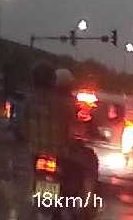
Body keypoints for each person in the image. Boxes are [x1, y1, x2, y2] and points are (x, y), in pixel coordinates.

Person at [25, 64, 97, 203]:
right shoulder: (65, 103)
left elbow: (23, 124)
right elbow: (75, 124)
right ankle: (79, 200)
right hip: (61, 152)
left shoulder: (30, 101)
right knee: (82, 168)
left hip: (35, 151)